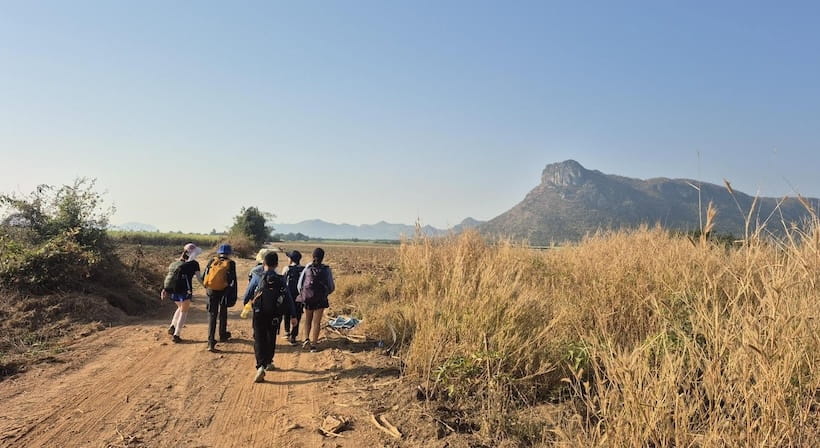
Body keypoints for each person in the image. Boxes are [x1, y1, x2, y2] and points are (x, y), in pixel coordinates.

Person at [243, 251, 297, 382]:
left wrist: (247, 305)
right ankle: (268, 362)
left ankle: (260, 366)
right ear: (276, 264)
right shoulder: (281, 279)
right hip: (275, 314)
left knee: (259, 338)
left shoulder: (257, 276)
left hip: (259, 312)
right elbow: (289, 298)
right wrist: (293, 315)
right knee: (271, 337)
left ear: (264, 263)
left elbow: (247, 294)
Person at [161, 243, 202, 343]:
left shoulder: (175, 263)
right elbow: (199, 279)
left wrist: (164, 289)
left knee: (180, 308)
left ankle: (172, 325)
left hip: (173, 290)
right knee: (184, 311)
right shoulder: (194, 264)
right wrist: (206, 286)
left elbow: (169, 278)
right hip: (185, 290)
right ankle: (177, 334)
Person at [297, 247, 335, 352]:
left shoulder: (307, 268)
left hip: (308, 298)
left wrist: (303, 294)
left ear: (313, 256)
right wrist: (325, 294)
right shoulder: (326, 270)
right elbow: (331, 287)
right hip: (321, 299)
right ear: (323, 257)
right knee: (316, 322)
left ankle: (306, 339)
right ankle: (314, 345)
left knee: (307, 320)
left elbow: (299, 285)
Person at [203, 244, 238, 352]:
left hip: (211, 290)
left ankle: (210, 342)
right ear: (229, 253)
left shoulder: (212, 261)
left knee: (212, 315)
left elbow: (204, 276)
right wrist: (231, 294)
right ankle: (222, 334)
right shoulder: (231, 263)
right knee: (223, 312)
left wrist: (207, 288)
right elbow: (232, 281)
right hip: (224, 290)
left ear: (219, 252)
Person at [281, 250, 305, 344]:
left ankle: (287, 331)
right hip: (299, 296)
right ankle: (293, 336)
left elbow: (282, 281)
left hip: (288, 296)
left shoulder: (286, 268)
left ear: (291, 259)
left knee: (287, 313)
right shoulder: (303, 269)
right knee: (297, 314)